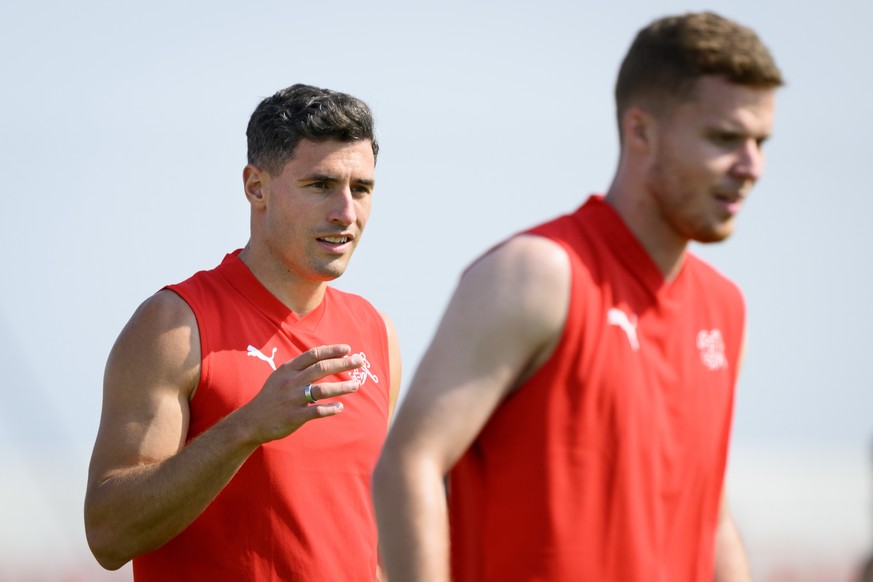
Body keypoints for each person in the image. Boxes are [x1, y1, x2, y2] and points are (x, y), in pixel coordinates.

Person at [374, 11, 782, 581]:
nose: (752, 166)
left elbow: (710, 519)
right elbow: (409, 463)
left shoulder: (725, 308)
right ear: (641, 131)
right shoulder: (535, 273)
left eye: (760, 141)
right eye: (724, 138)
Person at [85, 84, 401, 580]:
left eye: (361, 189)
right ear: (256, 187)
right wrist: (246, 427)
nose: (346, 212)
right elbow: (108, 535)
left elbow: (368, 542)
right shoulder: (174, 325)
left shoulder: (376, 332)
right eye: (320, 185)